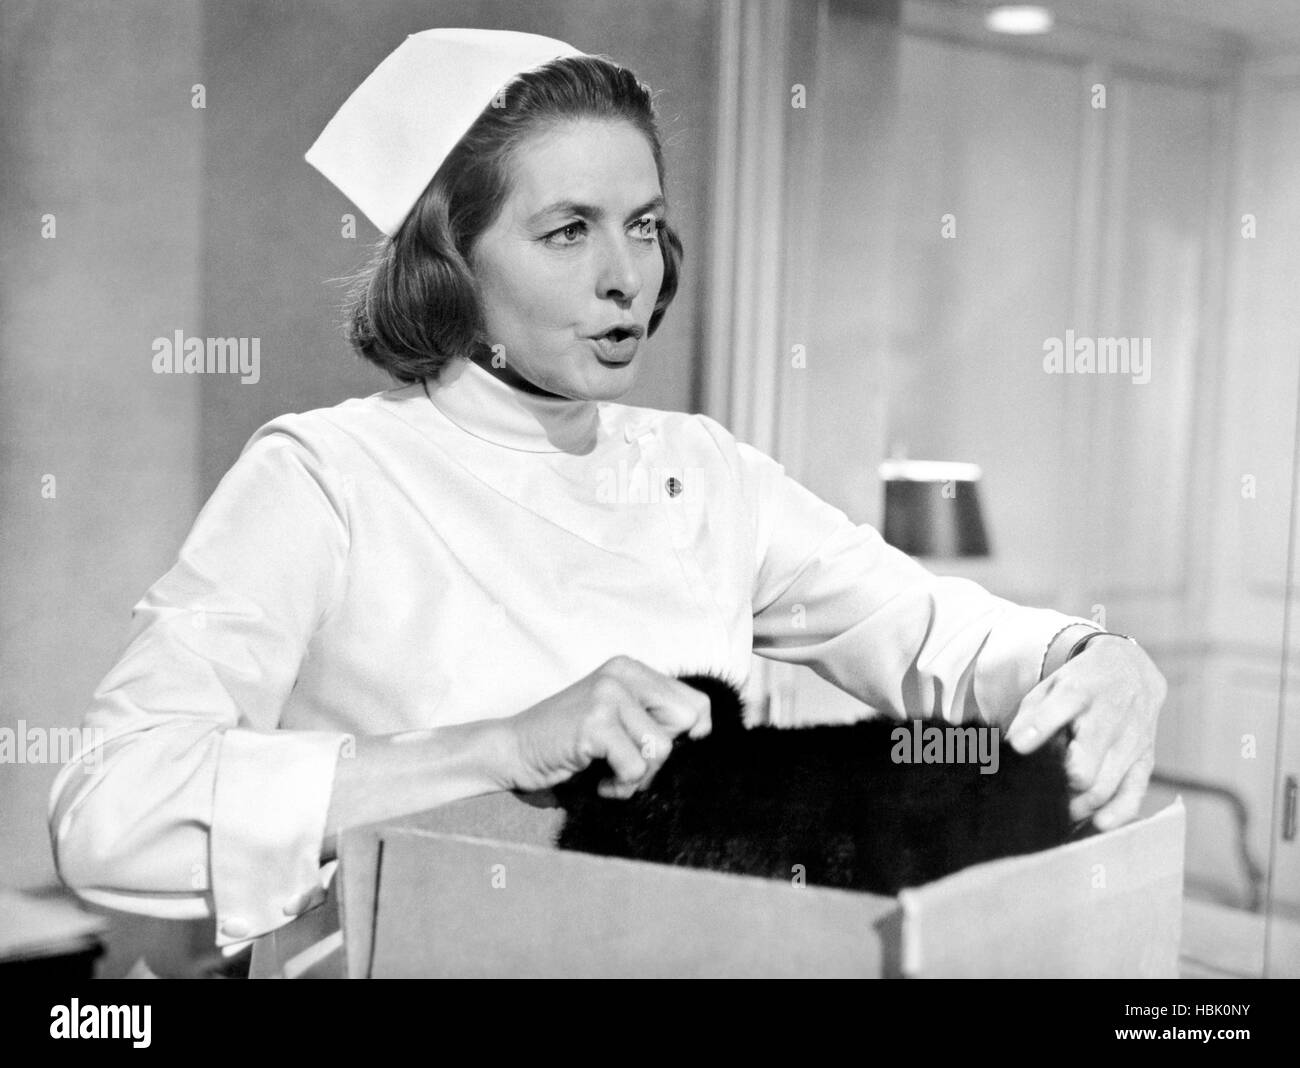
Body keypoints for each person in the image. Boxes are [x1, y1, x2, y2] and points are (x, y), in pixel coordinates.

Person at [47, 28, 1167, 978]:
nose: (627, 276)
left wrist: (1088, 656)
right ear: (450, 259)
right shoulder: (325, 476)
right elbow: (110, 810)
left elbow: (925, 630)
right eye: (568, 230)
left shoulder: (706, 473)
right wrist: (499, 748)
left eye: (642, 223)